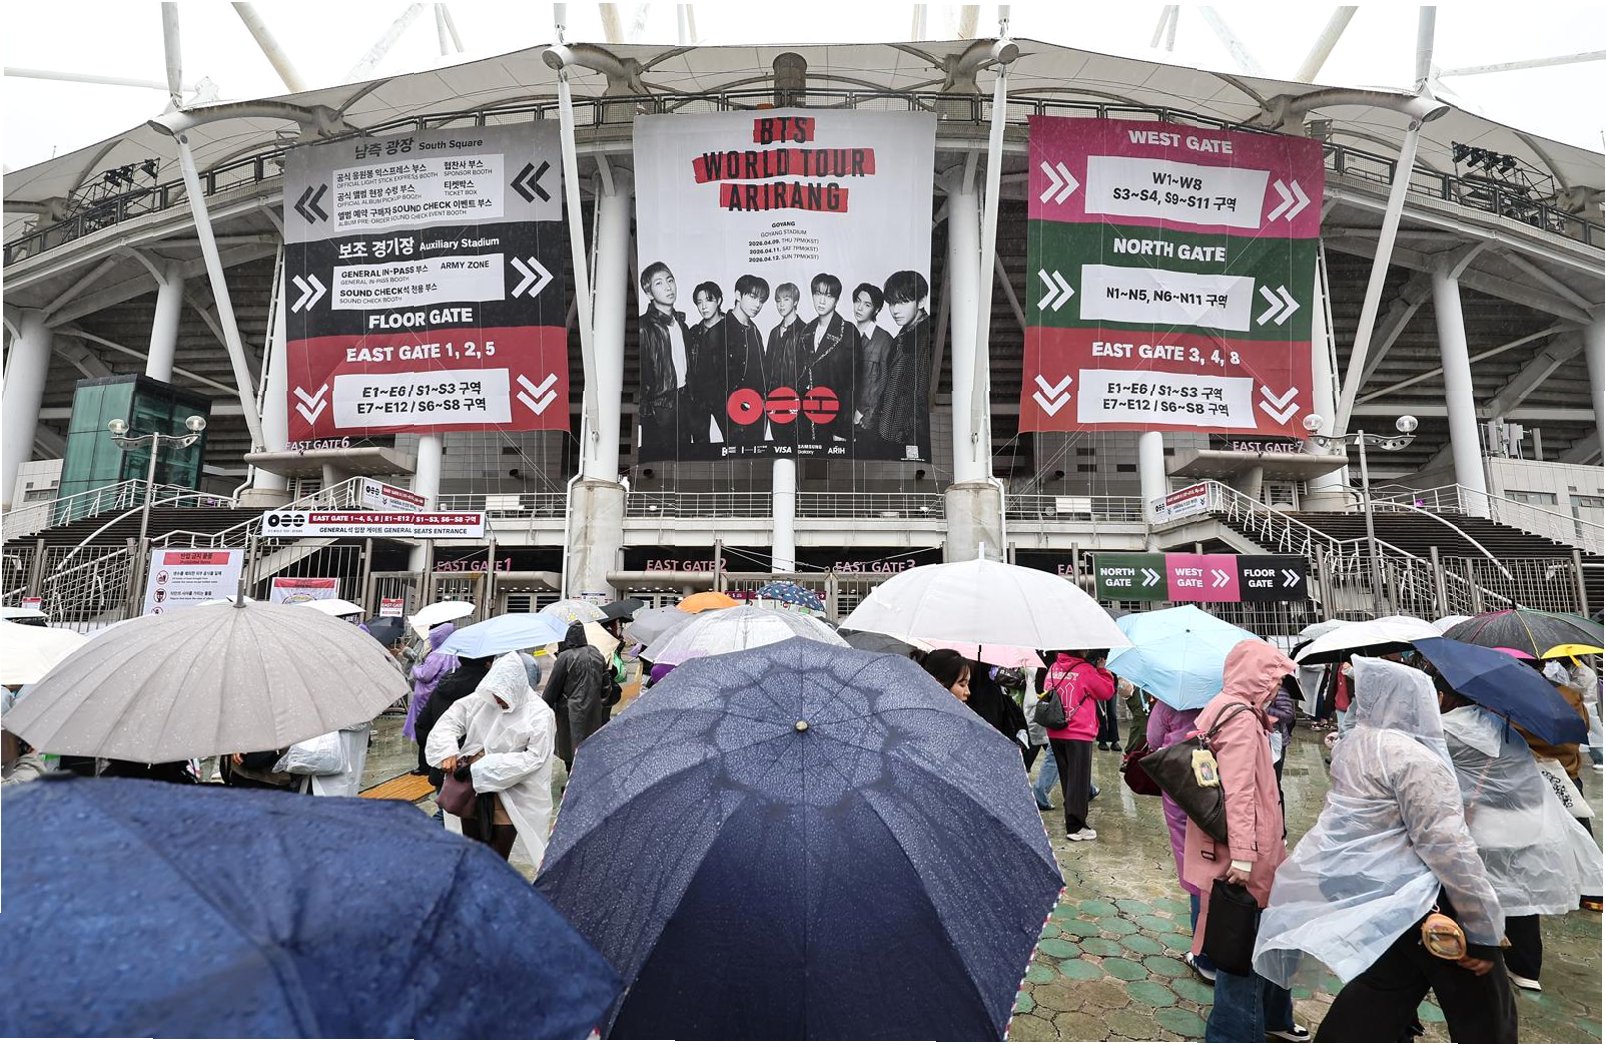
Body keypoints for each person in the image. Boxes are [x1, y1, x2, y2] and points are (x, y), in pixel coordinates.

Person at [1254, 657, 1515, 1044]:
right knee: (1485, 1008)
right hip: (1421, 898)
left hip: (1370, 888)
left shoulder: (1355, 743)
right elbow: (1448, 849)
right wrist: (1482, 928)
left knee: (1383, 988)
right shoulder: (1416, 760)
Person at [1428, 663, 1602, 994]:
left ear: (1446, 695)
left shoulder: (1446, 730)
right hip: (1526, 822)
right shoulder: (1503, 726)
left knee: (1476, 890)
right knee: (1520, 892)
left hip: (1483, 827)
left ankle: (1475, 953)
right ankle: (1526, 969)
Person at [1183, 639, 1304, 1044]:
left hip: (1232, 843)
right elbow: (1239, 792)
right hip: (1247, 852)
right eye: (1274, 677)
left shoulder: (1225, 707)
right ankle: (1232, 1034)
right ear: (1257, 676)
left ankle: (1274, 1018)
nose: (1277, 687)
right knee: (1243, 953)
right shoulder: (1240, 719)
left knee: (1260, 940)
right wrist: (1245, 856)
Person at [425, 651, 557, 865]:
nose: (497, 700)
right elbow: (449, 722)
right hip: (472, 790)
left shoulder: (539, 713)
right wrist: (447, 750)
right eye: (494, 694)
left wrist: (486, 767)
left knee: (496, 858)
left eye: (502, 695)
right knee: (472, 852)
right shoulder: (482, 700)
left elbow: (535, 758)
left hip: (511, 793)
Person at [1146, 698, 1214, 981]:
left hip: (1178, 776)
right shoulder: (1231, 703)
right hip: (1219, 783)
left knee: (1195, 868)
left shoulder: (1170, 700)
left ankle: (1204, 955)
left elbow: (1153, 739)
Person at [1043, 649, 1115, 841]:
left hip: (1056, 730)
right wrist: (1102, 670)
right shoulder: (1085, 670)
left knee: (1068, 779)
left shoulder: (1053, 667)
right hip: (1078, 731)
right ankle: (1076, 826)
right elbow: (1106, 691)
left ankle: (1071, 819)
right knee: (1080, 780)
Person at [638, 261, 701, 453]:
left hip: (684, 404)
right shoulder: (643, 327)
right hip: (659, 408)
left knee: (685, 460)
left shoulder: (681, 324)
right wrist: (647, 413)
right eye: (659, 283)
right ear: (649, 293)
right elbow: (642, 377)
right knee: (660, 462)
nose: (668, 287)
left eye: (670, 280)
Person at [871, 269, 932, 459]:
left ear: (921, 301)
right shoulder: (902, 336)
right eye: (891, 303)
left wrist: (907, 435)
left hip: (908, 440)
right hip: (888, 436)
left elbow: (922, 395)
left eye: (903, 302)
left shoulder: (926, 338)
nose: (895, 310)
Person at [416, 653, 496, 791]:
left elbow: (422, 725)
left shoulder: (443, 686)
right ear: (488, 663)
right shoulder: (490, 693)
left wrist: (437, 752)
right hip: (478, 771)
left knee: (446, 802)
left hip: (444, 769)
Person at [797, 272, 858, 447]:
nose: (822, 301)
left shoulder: (847, 331)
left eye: (829, 296)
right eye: (818, 294)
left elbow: (853, 384)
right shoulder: (806, 331)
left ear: (836, 300)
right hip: (806, 419)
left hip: (834, 419)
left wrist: (842, 429)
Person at [544, 621, 609, 771]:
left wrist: (542, 707)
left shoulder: (565, 657)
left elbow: (552, 689)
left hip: (570, 713)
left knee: (570, 751)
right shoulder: (596, 653)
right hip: (594, 712)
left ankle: (572, 778)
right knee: (590, 750)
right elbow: (606, 685)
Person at [404, 621, 458, 775]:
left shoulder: (437, 654)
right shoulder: (455, 653)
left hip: (427, 698)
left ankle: (425, 766)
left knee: (424, 731)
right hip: (445, 697)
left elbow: (425, 675)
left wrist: (416, 668)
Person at [851, 281, 893, 444]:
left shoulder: (884, 340)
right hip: (845, 420)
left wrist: (867, 415)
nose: (860, 307)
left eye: (867, 304)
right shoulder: (847, 335)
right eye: (858, 301)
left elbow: (887, 384)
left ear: (876, 310)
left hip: (869, 423)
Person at [1094, 682, 1121, 751]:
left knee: (1112, 713)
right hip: (1098, 684)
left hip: (1111, 683)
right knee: (1101, 713)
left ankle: (1114, 740)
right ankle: (1102, 740)